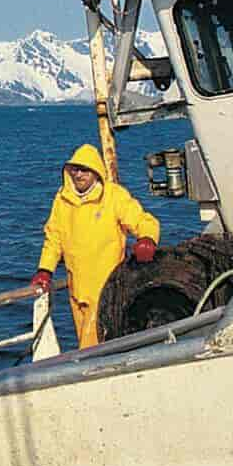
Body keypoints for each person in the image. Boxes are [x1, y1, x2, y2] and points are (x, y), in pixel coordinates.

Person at [31, 144, 160, 350]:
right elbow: (53, 237)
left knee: (92, 346)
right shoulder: (62, 199)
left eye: (84, 169)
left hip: (106, 287)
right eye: (75, 169)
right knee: (87, 339)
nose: (79, 174)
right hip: (76, 288)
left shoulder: (113, 196)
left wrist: (147, 239)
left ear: (95, 171)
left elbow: (142, 220)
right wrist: (45, 270)